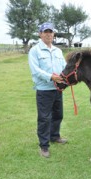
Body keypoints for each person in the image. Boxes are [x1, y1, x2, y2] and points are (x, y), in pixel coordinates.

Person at [28, 22, 68, 158]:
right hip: (44, 90)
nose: (48, 34)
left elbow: (64, 66)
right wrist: (51, 77)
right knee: (44, 118)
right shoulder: (34, 50)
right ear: (40, 34)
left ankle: (54, 136)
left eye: (51, 32)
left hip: (58, 89)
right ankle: (44, 146)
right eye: (45, 32)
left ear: (54, 34)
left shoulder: (58, 51)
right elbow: (36, 71)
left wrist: (66, 78)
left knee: (58, 115)